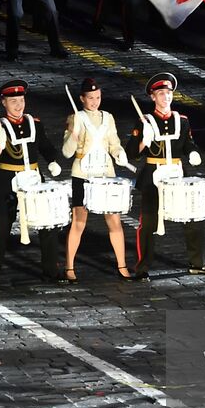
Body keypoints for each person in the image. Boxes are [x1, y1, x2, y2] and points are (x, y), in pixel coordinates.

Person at [127, 73, 205, 279]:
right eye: (161, 94)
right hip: (153, 177)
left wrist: (193, 152)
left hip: (177, 175)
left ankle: (198, 263)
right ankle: (142, 269)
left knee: (193, 218)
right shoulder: (144, 122)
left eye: (168, 93)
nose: (166, 97)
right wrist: (144, 141)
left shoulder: (182, 120)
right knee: (148, 224)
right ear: (153, 97)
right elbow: (131, 153)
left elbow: (188, 143)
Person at [0, 78, 65, 287]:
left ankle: (51, 270)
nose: (18, 105)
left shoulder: (34, 123)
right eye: (13, 101)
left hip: (34, 181)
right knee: (1, 229)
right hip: (7, 182)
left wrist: (53, 161)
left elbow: (44, 145)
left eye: (20, 100)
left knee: (47, 226)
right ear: (4, 103)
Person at [61, 77, 138, 281]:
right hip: (82, 175)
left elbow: (114, 143)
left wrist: (119, 153)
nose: (95, 101)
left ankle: (122, 266)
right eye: (90, 98)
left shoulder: (108, 117)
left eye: (98, 97)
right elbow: (67, 152)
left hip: (106, 174)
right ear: (82, 99)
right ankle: (69, 267)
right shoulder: (74, 118)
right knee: (78, 222)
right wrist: (74, 134)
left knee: (114, 221)